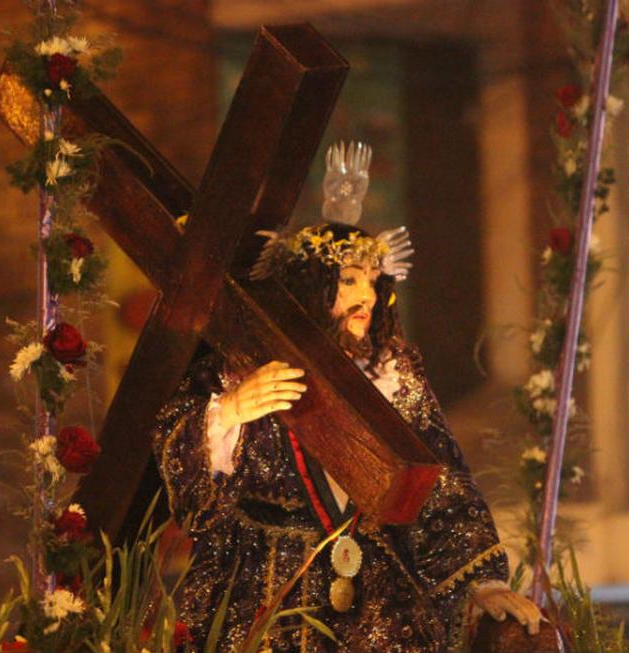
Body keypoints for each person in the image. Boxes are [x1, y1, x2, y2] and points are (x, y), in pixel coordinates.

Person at [152, 143, 540, 652]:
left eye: (375, 281)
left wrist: (482, 581)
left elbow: (441, 484)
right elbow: (187, 479)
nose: (368, 297)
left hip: (377, 594)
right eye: (351, 280)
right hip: (267, 590)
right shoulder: (243, 367)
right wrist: (230, 412)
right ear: (311, 285)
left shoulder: (393, 375)